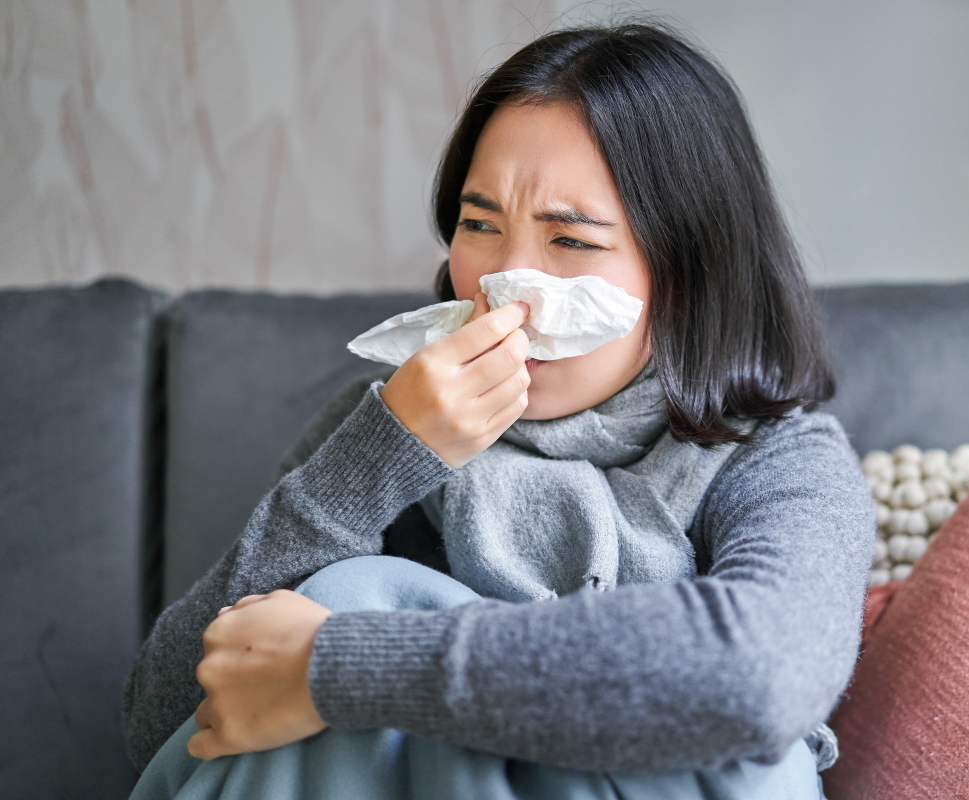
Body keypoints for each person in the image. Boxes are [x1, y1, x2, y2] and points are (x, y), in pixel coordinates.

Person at [123, 22, 875, 800]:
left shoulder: (779, 460)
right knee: (353, 591)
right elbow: (162, 721)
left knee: (358, 604)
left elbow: (763, 674)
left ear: (685, 274)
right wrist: (379, 459)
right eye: (480, 226)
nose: (504, 282)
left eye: (570, 241)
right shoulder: (390, 425)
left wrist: (340, 667)